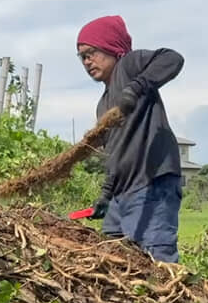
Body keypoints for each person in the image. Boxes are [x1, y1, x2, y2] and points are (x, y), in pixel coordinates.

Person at [76, 15, 185, 263]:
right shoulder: (103, 105)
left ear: (111, 47)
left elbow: (173, 58)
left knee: (156, 261)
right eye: (82, 56)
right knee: (114, 259)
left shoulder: (129, 66)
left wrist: (136, 88)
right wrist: (105, 196)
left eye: (91, 52)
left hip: (152, 185)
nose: (87, 61)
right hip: (120, 197)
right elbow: (116, 155)